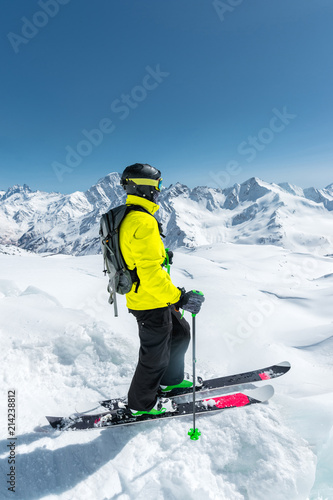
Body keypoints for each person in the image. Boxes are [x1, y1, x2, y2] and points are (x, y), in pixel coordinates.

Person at [119, 163, 205, 416]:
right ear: (143, 187)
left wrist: (160, 255)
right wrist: (180, 297)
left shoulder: (131, 215)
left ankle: (171, 381)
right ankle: (140, 405)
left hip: (155, 296)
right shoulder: (143, 221)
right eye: (157, 186)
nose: (159, 191)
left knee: (180, 333)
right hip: (148, 301)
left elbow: (136, 257)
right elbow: (150, 274)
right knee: (154, 357)